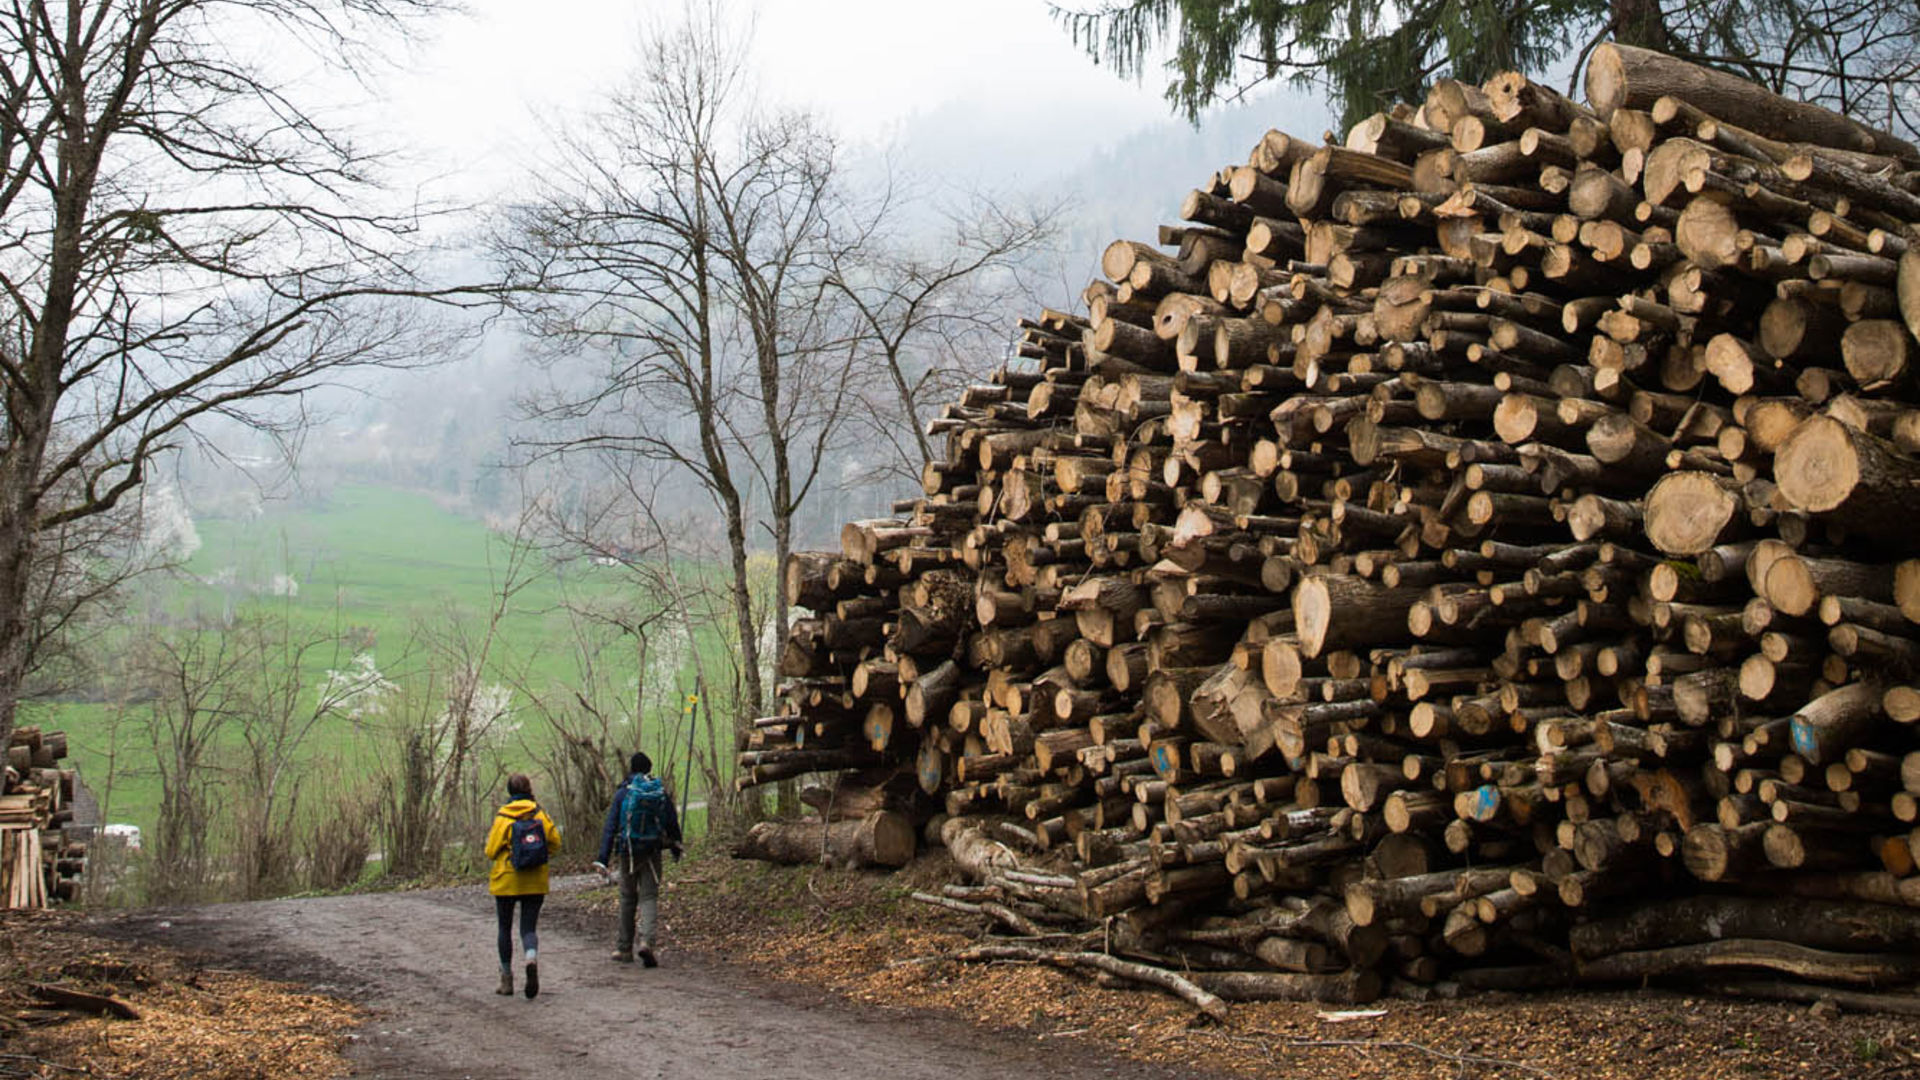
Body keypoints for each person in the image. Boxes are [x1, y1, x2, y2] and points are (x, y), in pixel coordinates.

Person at [593, 751, 683, 967]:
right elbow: (671, 820)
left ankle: (624, 948)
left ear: (631, 769)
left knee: (627, 898)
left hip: (628, 852)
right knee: (649, 897)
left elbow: (610, 826)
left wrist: (602, 858)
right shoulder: (657, 791)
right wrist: (676, 846)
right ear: (649, 769)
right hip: (652, 851)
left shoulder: (623, 793)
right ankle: (646, 942)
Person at [484, 773, 561, 998]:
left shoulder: (503, 817)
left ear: (509, 791)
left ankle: (507, 980)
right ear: (529, 789)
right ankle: (530, 957)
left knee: (504, 928)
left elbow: (490, 852)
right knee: (528, 928)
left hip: (506, 879)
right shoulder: (539, 813)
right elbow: (555, 842)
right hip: (535, 879)